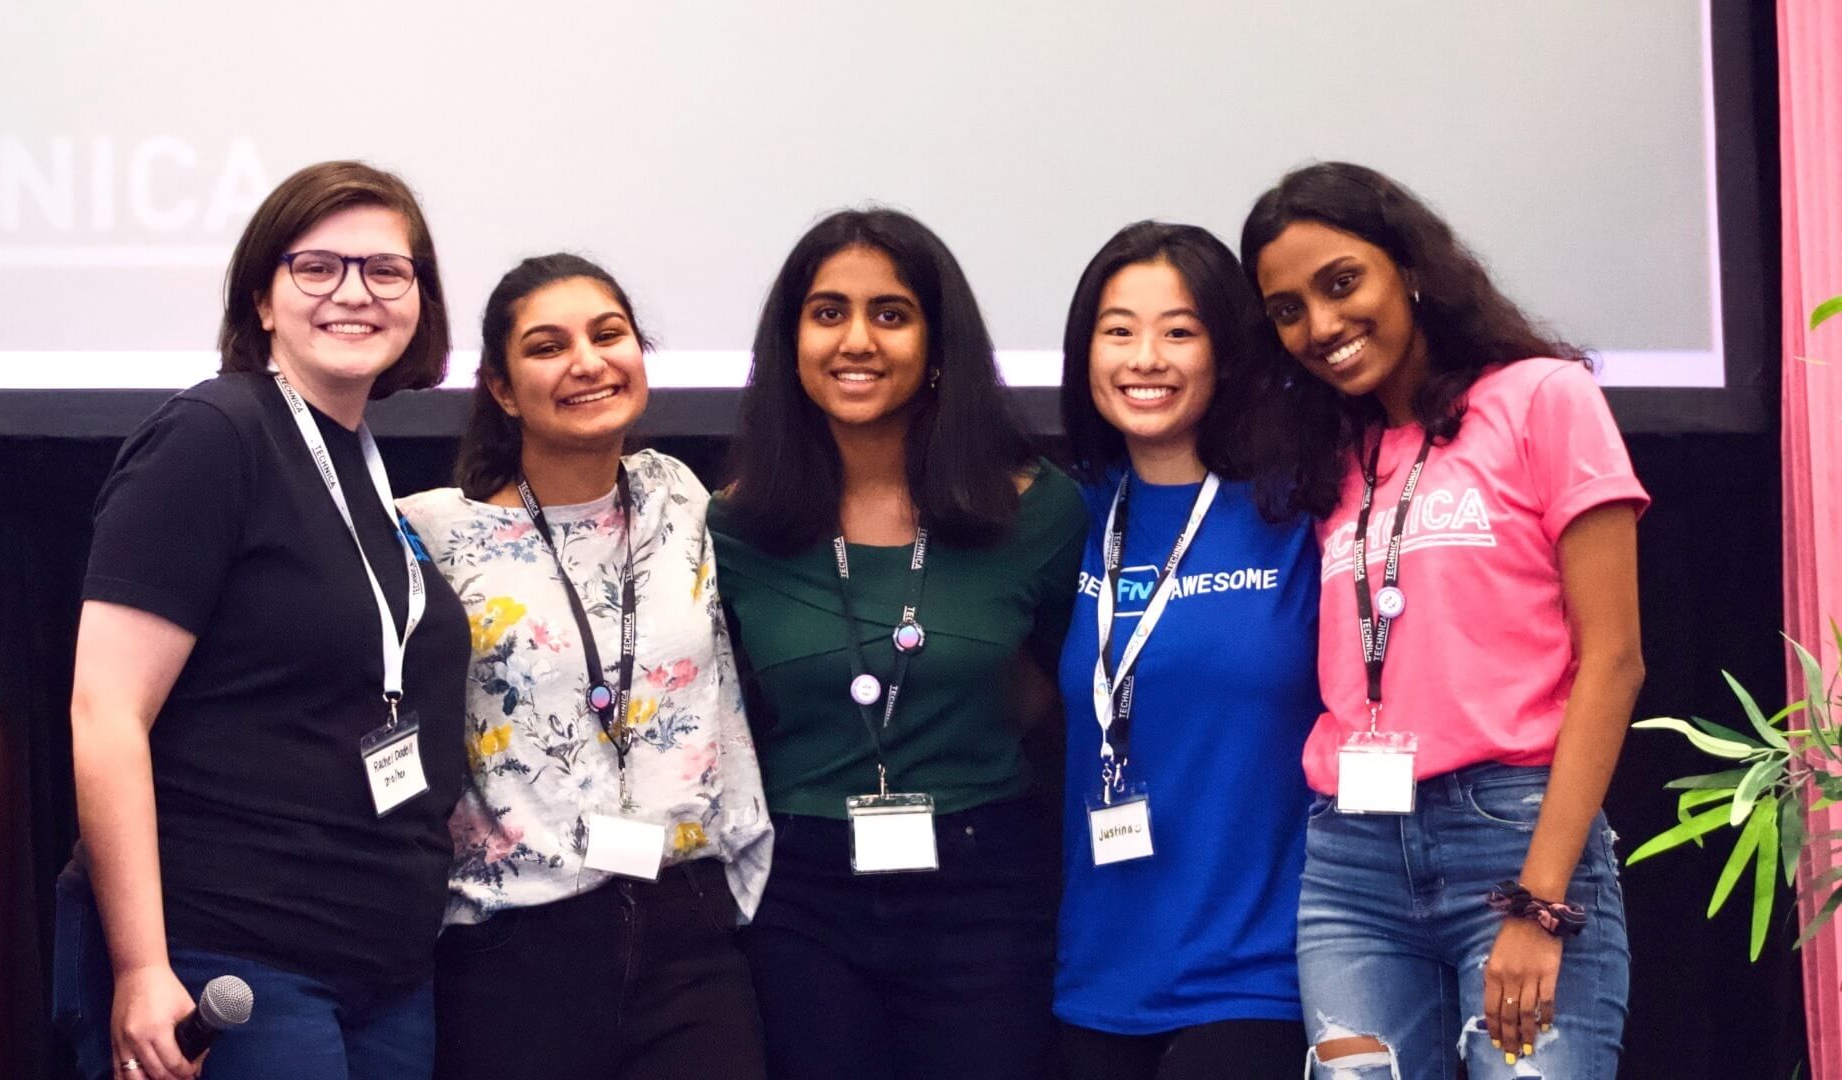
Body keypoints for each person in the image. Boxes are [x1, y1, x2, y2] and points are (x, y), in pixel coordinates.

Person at [52, 161, 469, 1080]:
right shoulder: (213, 435)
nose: (353, 293)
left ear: (420, 302)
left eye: (386, 271)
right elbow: (106, 713)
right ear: (264, 301)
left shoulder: (362, 471)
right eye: (316, 267)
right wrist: (140, 965)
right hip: (230, 959)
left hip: (385, 975)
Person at [1242, 162, 1643, 1079]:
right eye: (1287, 309)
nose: (1321, 326)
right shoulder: (1331, 454)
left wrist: (1541, 906)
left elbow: (1614, 660)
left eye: (1341, 283)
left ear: (1410, 268)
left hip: (1514, 836)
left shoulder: (1545, 398)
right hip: (1352, 866)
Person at [707, 208, 1087, 1080]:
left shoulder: (1037, 512)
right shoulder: (732, 526)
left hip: (985, 890)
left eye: (891, 313)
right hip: (800, 896)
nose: (857, 341)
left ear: (937, 341)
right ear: (792, 340)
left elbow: (1063, 701)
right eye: (829, 311)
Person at [396, 253, 773, 1079]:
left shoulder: (680, 496)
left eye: (610, 334)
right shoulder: (429, 535)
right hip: (516, 945)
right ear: (501, 388)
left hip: (690, 934)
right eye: (547, 346)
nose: (588, 362)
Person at [1052, 221, 1319, 1078]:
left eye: (1179, 331)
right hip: (1092, 978)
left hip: (1259, 980)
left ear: (1227, 352)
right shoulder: (1065, 517)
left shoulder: (1300, 511)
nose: (1146, 358)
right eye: (1118, 330)